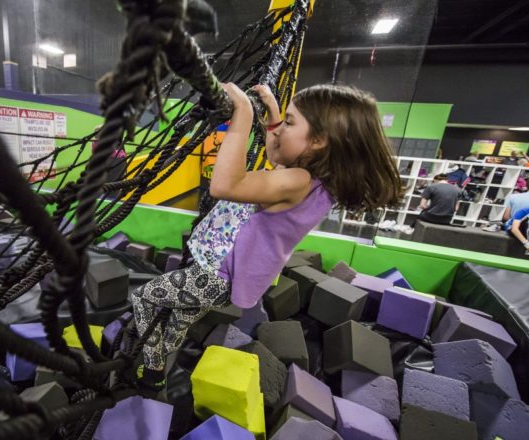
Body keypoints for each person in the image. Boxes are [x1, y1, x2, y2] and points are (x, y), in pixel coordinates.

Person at [130, 83, 403, 391]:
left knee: (143, 297)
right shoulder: (313, 181)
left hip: (213, 273)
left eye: (290, 122)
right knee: (180, 317)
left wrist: (243, 116)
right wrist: (274, 113)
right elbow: (278, 153)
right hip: (222, 274)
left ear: (318, 141)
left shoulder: (296, 180)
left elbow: (223, 185)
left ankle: (152, 363)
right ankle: (159, 370)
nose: (280, 130)